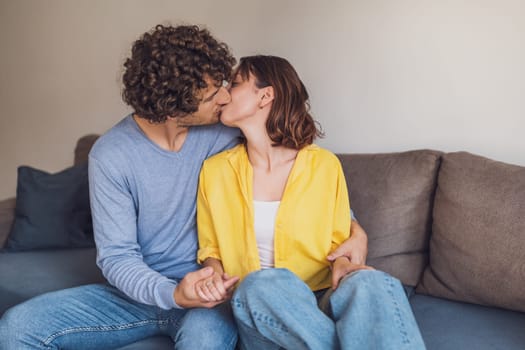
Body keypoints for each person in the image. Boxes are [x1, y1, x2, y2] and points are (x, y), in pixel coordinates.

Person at [0, 25, 368, 349]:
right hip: (144, 293)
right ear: (173, 106)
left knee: (202, 342)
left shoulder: (226, 132)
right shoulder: (111, 156)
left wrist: (354, 228)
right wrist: (173, 293)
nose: (225, 97)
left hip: (213, 295)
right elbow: (117, 257)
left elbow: (298, 180)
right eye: (212, 96)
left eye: (225, 86)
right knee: (17, 327)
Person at [196, 55, 426, 349]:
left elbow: (338, 240)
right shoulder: (215, 171)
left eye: (236, 83)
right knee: (262, 283)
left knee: (372, 283)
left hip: (320, 298)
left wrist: (344, 264)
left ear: (266, 96)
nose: (225, 92)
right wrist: (213, 274)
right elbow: (210, 248)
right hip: (262, 308)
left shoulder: (324, 165)